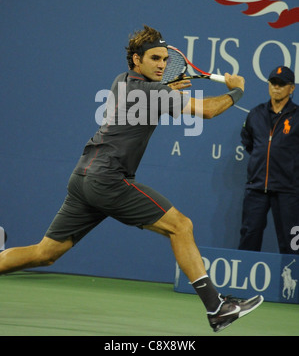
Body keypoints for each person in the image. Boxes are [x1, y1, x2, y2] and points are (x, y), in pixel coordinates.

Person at [0, 25, 263, 333]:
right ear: (137, 60)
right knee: (181, 226)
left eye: (165, 59)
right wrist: (236, 90)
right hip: (108, 179)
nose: (162, 65)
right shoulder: (155, 91)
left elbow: (149, 103)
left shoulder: (122, 81)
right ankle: (217, 307)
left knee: (45, 254)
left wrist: (168, 92)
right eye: (154, 58)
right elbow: (207, 111)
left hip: (83, 176)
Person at [239, 66, 299, 255]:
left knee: (292, 242)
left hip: (287, 189)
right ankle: (245, 279)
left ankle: (293, 283)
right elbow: (249, 143)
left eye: (282, 84)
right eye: (273, 83)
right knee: (249, 236)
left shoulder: (297, 116)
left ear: (292, 88)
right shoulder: (256, 114)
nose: (276, 87)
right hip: (257, 187)